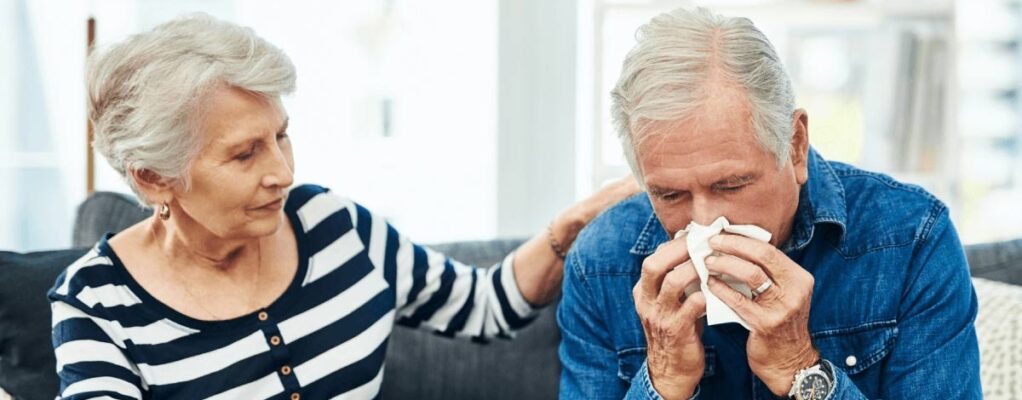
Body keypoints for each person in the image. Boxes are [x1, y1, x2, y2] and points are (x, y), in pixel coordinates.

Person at [49, 14, 638, 399]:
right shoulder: (97, 303)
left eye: (281, 136)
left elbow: (483, 307)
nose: (281, 173)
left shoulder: (330, 226)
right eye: (244, 155)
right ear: (155, 179)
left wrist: (568, 229)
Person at [557, 7, 981, 400]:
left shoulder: (911, 239)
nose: (707, 222)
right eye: (670, 195)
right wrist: (663, 380)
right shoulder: (600, 263)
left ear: (795, 146)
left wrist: (800, 368)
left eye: (732, 185)